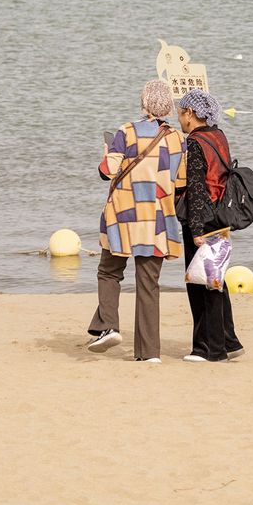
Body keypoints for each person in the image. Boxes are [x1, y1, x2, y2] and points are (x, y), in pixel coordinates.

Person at [87, 80, 187, 362]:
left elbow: (108, 171)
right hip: (157, 218)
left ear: (144, 103)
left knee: (109, 271)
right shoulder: (178, 138)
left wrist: (105, 154)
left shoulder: (127, 131)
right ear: (168, 106)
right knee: (149, 284)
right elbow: (180, 181)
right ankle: (149, 353)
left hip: (123, 214)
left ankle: (109, 325)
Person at [176, 89, 245, 363]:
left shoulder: (194, 143)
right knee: (216, 280)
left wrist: (194, 231)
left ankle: (209, 349)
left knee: (200, 282)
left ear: (190, 114)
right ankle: (229, 340)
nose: (179, 120)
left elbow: (195, 188)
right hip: (220, 215)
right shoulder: (218, 136)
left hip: (202, 219)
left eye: (180, 114)